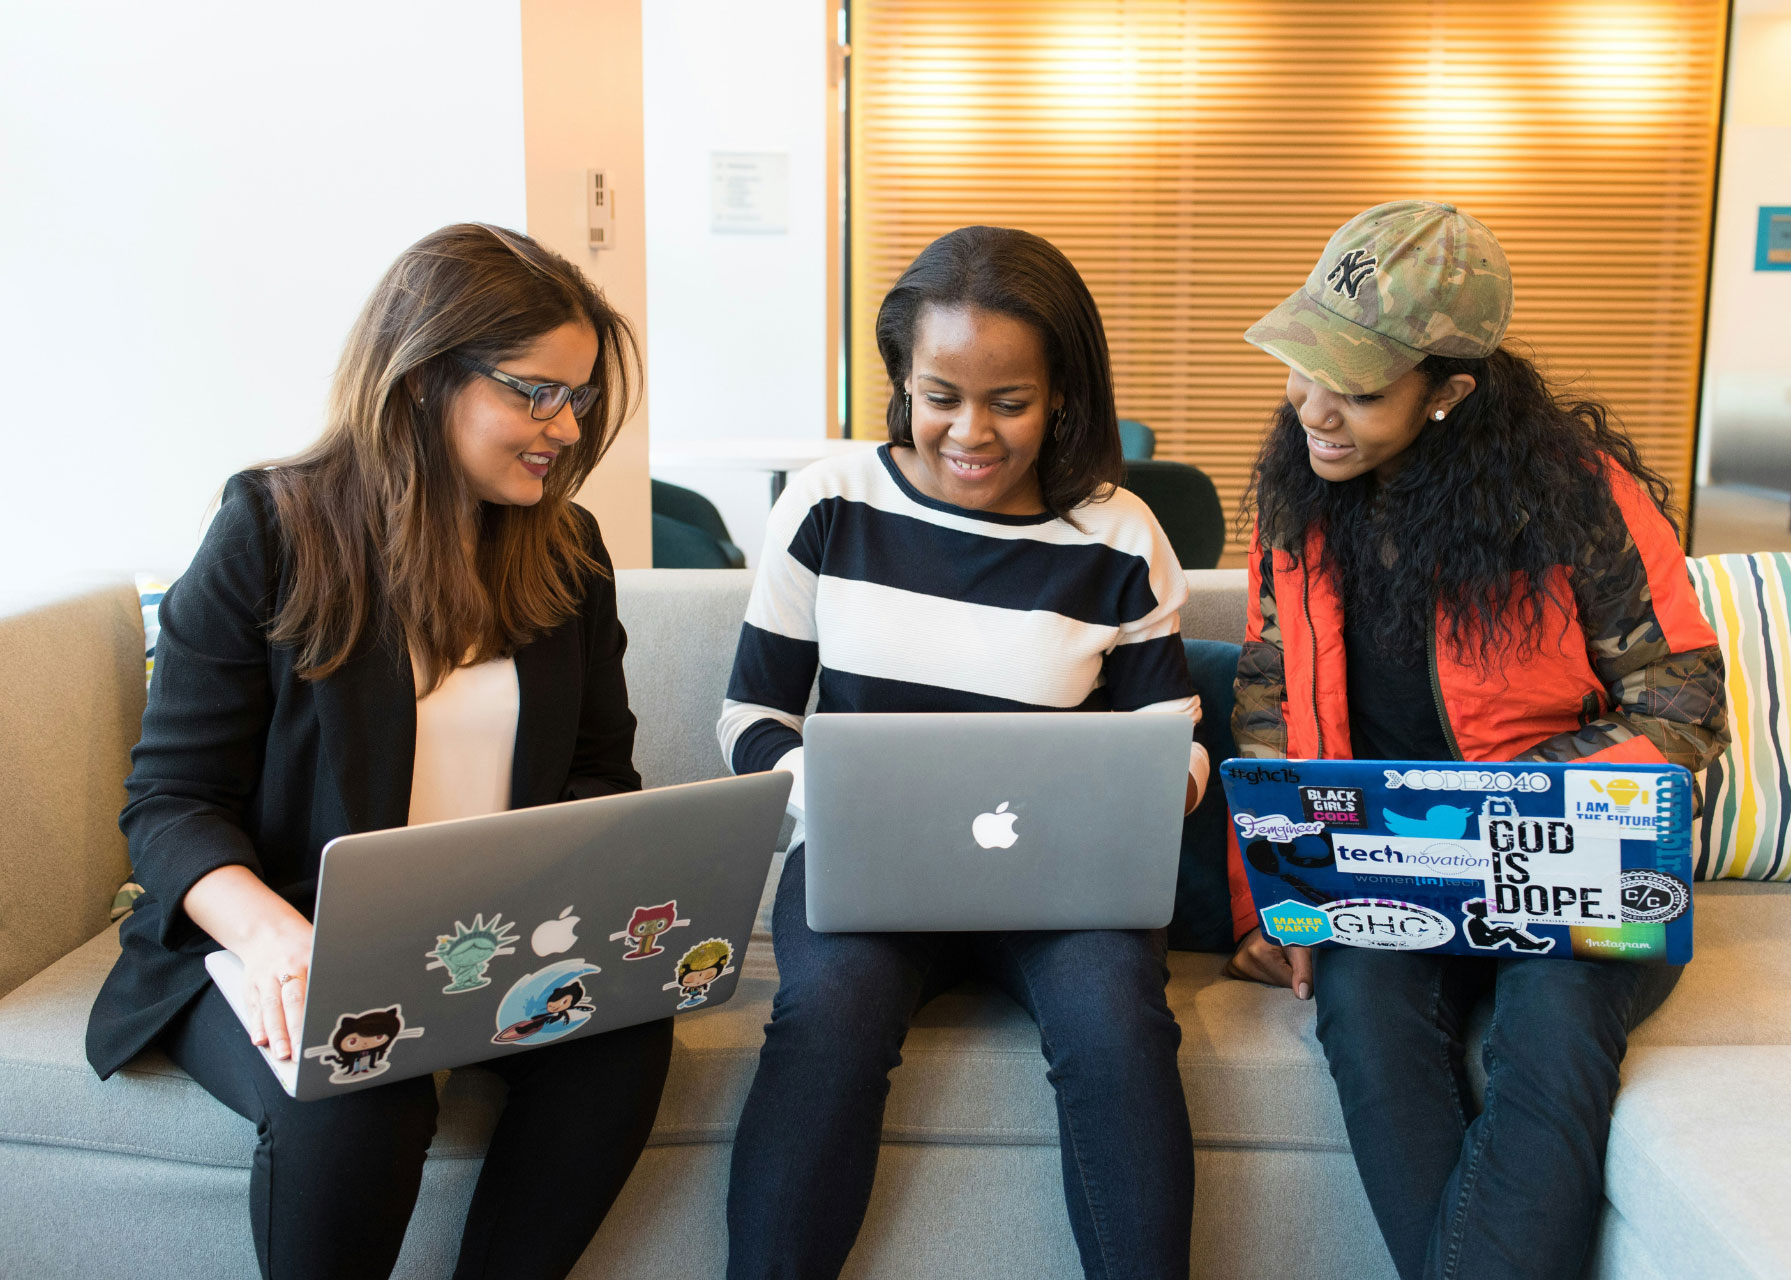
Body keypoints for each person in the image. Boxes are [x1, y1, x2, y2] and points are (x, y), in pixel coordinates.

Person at [85, 223, 669, 1280]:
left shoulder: (568, 550)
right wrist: (275, 939)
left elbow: (598, 775)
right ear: (422, 376)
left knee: (622, 1043)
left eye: (579, 397)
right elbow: (169, 801)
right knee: (366, 1079)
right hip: (275, 944)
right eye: (536, 391)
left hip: (489, 942)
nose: (565, 425)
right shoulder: (270, 527)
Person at [1225, 201, 1729, 1280]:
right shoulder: (1295, 500)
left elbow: (1680, 698)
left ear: (1450, 391)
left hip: (1579, 866)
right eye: (1304, 365)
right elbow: (1269, 697)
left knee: (1548, 1028)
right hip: (1390, 868)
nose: (1314, 406)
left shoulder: (1581, 502)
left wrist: (1508, 802)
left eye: (1356, 388)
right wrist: (1276, 899)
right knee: (1360, 1009)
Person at [719, 225, 1206, 1280]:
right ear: (901, 381)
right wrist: (830, 792)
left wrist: (1161, 781)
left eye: (1010, 402)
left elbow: (1173, 734)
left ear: (1064, 392)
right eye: (940, 394)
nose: (970, 432)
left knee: (1118, 1024)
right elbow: (751, 715)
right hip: (867, 869)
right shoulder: (830, 502)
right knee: (827, 1016)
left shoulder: (1118, 536)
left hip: (1065, 881)